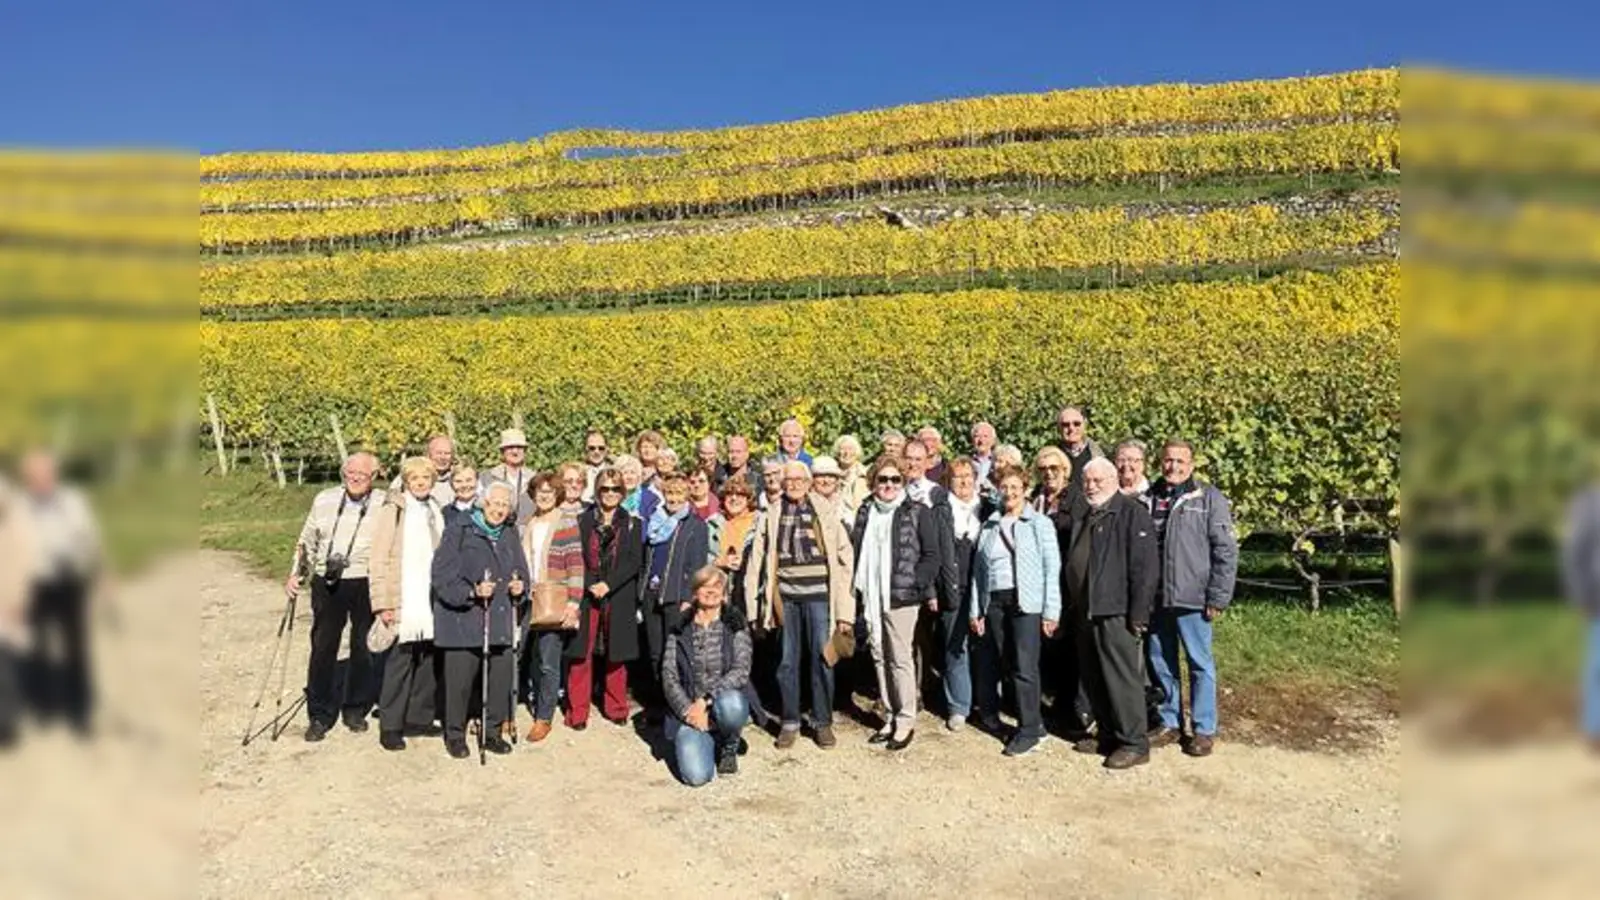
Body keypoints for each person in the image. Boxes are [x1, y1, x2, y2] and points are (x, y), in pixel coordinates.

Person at [743, 461, 855, 749]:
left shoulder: (825, 512)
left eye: (798, 479)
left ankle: (822, 722)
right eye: (788, 479)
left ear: (809, 482)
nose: (793, 484)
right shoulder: (771, 513)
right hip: (786, 598)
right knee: (787, 661)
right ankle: (790, 721)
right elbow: (756, 562)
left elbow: (844, 563)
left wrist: (845, 613)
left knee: (822, 658)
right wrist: (754, 609)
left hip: (819, 596)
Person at [1143, 439, 1239, 758]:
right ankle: (1170, 721)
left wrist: (1218, 596)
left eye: (1180, 461)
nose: (1173, 466)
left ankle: (1203, 728)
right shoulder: (1149, 497)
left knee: (1199, 663)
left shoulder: (1208, 498)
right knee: (1161, 662)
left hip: (1193, 598)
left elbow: (1225, 550)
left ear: (1192, 464)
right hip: (1157, 598)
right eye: (1168, 460)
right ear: (1160, 462)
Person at [1065, 459, 1159, 769]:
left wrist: (1138, 614)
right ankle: (1108, 733)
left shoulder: (1132, 514)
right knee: (1094, 677)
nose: (1091, 486)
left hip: (1114, 610)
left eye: (1097, 480)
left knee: (1121, 678)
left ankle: (1134, 742)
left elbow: (1144, 569)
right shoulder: (1088, 513)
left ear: (1114, 479)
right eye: (1086, 481)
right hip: (1085, 610)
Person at [288, 451, 384, 742]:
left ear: (374, 477)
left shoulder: (384, 503)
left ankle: (355, 707)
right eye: (350, 472)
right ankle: (319, 713)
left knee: (363, 646)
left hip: (366, 580)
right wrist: (296, 574)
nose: (355, 478)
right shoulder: (324, 499)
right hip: (327, 581)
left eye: (362, 474)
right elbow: (306, 540)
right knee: (323, 646)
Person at [431, 481, 529, 759]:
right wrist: (471, 592)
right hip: (463, 620)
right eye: (494, 503)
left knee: (499, 678)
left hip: (499, 619)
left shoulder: (509, 533)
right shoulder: (459, 529)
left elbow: (522, 571)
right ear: (482, 503)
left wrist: (520, 586)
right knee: (459, 682)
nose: (499, 510)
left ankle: (492, 731)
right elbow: (441, 576)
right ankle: (455, 734)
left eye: (504, 505)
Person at [969, 465, 1063, 757]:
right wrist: (976, 609)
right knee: (1006, 663)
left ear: (1025, 490)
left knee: (1025, 666)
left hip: (1027, 601)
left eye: (1015, 487)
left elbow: (1052, 567)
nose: (1009, 492)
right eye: (1004, 487)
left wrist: (1051, 611)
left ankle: (1029, 729)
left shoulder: (1038, 523)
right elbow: (978, 573)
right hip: (995, 600)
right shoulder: (990, 525)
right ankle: (1032, 724)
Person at [850, 457, 940, 751]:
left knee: (900, 657)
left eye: (894, 480)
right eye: (882, 479)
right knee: (879, 654)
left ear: (903, 482)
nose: (888, 485)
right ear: (874, 482)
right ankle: (888, 715)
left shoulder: (917, 511)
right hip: (873, 594)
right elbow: (857, 547)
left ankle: (905, 718)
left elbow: (931, 554)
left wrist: (915, 583)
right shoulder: (865, 511)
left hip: (901, 595)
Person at [16, 451, 102, 738]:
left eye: (46, 474)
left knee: (76, 647)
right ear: (28, 479)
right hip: (36, 585)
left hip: (69, 582)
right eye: (35, 476)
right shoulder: (19, 506)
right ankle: (44, 708)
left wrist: (101, 573)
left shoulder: (73, 501)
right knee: (37, 648)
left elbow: (89, 538)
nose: (42, 481)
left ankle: (79, 711)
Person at [369, 457, 447, 751]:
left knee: (427, 658)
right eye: (415, 479)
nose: (421, 483)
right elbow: (379, 557)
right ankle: (391, 724)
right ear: (406, 481)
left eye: (425, 478)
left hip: (431, 595)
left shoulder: (434, 508)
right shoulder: (395, 510)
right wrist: (383, 602)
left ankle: (420, 717)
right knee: (400, 661)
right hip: (405, 595)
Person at [567, 468, 644, 729]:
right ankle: (578, 710)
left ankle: (616, 706)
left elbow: (634, 561)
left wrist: (608, 584)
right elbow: (575, 558)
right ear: (597, 491)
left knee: (616, 654)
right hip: (587, 594)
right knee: (581, 653)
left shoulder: (633, 523)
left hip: (618, 594)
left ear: (622, 492)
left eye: (615, 489)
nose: (610, 494)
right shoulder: (582, 520)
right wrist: (591, 584)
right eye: (605, 489)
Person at [662, 567, 753, 786]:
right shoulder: (679, 628)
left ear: (724, 593)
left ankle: (728, 745)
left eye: (717, 587)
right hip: (692, 709)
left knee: (731, 703)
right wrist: (688, 711)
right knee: (696, 777)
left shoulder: (736, 625)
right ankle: (707, 738)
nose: (711, 592)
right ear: (695, 592)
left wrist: (706, 701)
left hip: (721, 703)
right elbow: (669, 675)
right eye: (705, 586)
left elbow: (741, 671)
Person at [520, 472, 584, 742]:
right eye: (539, 491)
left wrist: (574, 602)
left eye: (549, 491)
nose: (544, 495)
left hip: (553, 598)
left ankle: (543, 716)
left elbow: (575, 564)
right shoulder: (529, 522)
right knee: (526, 656)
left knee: (548, 660)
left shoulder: (565, 521)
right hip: (527, 597)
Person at [643, 473, 711, 718]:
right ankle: (657, 702)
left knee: (675, 653)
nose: (673, 499)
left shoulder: (695, 525)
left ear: (687, 497)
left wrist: (688, 598)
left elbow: (698, 565)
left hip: (676, 596)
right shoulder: (655, 521)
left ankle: (678, 704)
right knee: (654, 651)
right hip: (651, 593)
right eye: (669, 493)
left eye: (679, 494)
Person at [901, 439, 960, 702]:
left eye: (918, 459)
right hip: (899, 575)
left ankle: (923, 688)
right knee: (905, 637)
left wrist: (935, 586)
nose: (913, 464)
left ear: (927, 463)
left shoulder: (937, 495)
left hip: (926, 575)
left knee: (924, 635)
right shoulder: (893, 488)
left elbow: (942, 544)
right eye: (909, 458)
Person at [941, 457, 986, 731]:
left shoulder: (989, 508)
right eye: (958, 477)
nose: (964, 481)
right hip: (953, 587)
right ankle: (958, 705)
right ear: (949, 481)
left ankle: (985, 702)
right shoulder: (941, 509)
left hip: (983, 588)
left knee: (984, 645)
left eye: (968, 475)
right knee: (955, 646)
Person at [1563, 479, 1600, 753]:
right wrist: (1581, 595)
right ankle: (1594, 727)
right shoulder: (1589, 505)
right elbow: (1575, 553)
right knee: (1597, 664)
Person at [0, 476, 35, 746]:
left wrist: (19, 601)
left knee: (6, 669)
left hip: (8, 607)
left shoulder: (15, 525)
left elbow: (24, 567)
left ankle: (8, 726)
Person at [481, 429, 535, 522]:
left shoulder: (534, 478)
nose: (515, 451)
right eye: (510, 447)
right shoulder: (487, 477)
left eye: (519, 447)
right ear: (502, 451)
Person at [390, 434, 456, 507]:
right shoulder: (410, 474)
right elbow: (391, 499)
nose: (443, 457)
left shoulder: (457, 479)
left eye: (447, 453)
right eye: (438, 453)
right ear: (428, 454)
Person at [710, 478, 757, 579]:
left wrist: (745, 561)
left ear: (748, 499)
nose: (734, 498)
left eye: (740, 494)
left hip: (749, 582)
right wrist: (717, 562)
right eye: (729, 494)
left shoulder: (759, 523)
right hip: (719, 583)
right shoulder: (712, 524)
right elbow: (700, 555)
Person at [1053, 405, 1105, 489]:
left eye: (1076, 424)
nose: (1071, 428)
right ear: (1059, 428)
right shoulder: (1051, 457)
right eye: (1066, 425)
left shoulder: (1099, 456)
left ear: (1084, 425)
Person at [833, 435, 871, 522]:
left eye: (850, 449)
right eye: (843, 449)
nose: (847, 453)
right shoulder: (830, 473)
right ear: (837, 452)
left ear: (857, 452)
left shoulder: (865, 475)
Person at [809, 456, 847, 524]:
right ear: (812, 479)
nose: (826, 481)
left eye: (831, 476)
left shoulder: (845, 504)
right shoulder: (805, 504)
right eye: (821, 476)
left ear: (837, 480)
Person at [581, 430, 611, 503]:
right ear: (586, 449)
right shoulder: (579, 473)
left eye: (601, 448)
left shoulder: (614, 472)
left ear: (607, 449)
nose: (596, 452)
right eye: (592, 448)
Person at [970, 422, 999, 488]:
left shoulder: (999, 461)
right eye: (977, 436)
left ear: (993, 441)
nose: (981, 440)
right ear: (972, 440)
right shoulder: (967, 463)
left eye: (985, 436)